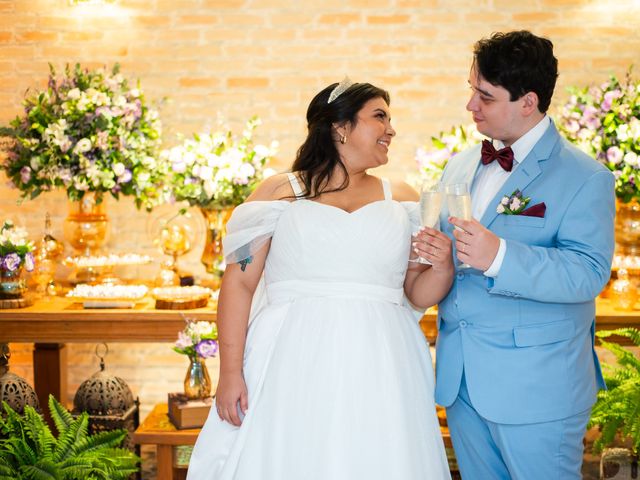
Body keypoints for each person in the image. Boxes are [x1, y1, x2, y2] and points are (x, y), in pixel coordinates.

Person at [187, 79, 454, 479]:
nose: (392, 129)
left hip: (382, 360)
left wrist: (444, 266)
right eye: (380, 117)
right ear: (340, 126)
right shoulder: (279, 193)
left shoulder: (400, 198)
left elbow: (416, 291)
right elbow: (239, 284)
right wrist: (229, 374)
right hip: (289, 360)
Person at [433, 30, 616, 479]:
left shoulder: (586, 177)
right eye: (471, 90)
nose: (471, 105)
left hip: (538, 387)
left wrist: (500, 256)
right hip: (462, 382)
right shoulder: (459, 164)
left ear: (528, 102)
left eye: (485, 96)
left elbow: (588, 273)